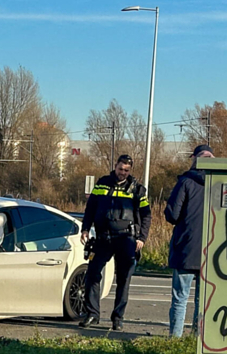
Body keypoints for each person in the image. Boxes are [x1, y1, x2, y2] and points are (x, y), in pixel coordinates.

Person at [79, 154, 151, 331]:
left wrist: (142, 238)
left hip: (126, 239)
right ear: (115, 166)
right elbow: (90, 208)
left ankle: (118, 318)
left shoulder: (137, 189)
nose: (123, 173)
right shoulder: (103, 183)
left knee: (124, 279)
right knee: (92, 274)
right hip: (104, 238)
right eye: (120, 169)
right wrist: (85, 228)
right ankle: (92, 315)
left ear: (130, 170)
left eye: (126, 170)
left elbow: (146, 215)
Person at [165, 144, 213, 337]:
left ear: (194, 159)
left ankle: (175, 339)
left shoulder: (185, 182)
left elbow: (172, 215)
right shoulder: (219, 182)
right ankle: (197, 339)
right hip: (211, 249)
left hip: (185, 247)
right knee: (202, 301)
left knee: (180, 298)